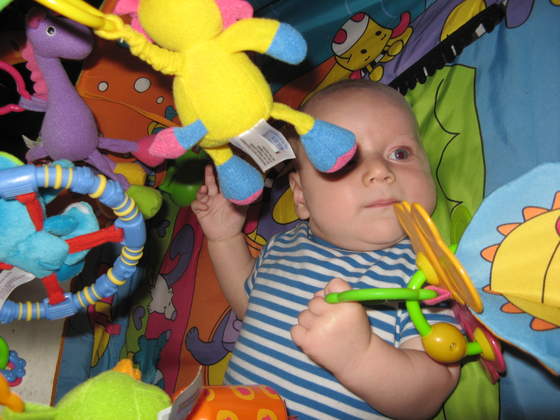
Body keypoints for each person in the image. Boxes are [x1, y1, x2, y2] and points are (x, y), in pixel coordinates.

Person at [192, 79, 460, 419]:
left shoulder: (424, 272)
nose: (380, 171)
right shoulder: (282, 247)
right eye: (344, 162)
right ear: (301, 195)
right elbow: (248, 307)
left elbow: (427, 396)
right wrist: (224, 237)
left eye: (400, 154)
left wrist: (359, 357)